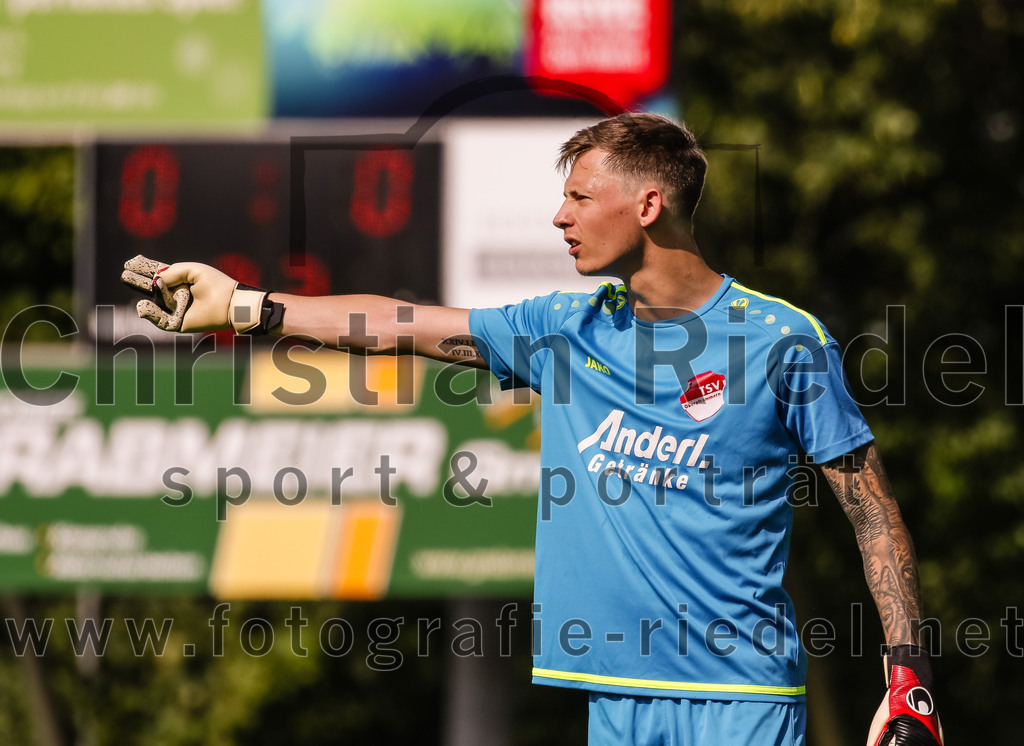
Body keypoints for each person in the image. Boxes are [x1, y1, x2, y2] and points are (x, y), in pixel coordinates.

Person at [121, 113, 942, 745]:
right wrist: (246, 308)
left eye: (581, 197)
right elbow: (401, 324)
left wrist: (909, 678)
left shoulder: (783, 339)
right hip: (613, 695)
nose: (559, 216)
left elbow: (872, 513)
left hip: (739, 697)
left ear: (649, 204)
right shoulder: (562, 326)